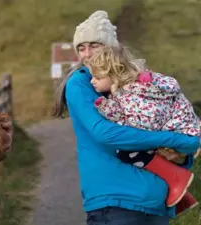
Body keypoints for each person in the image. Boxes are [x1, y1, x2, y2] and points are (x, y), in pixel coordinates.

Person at [52, 10, 200, 225]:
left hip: (155, 202)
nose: (87, 54)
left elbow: (170, 120)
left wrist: (182, 153)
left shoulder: (138, 83)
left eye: (94, 45)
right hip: (116, 200)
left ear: (112, 49)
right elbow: (106, 133)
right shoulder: (81, 82)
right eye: (81, 48)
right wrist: (174, 140)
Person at [83, 45, 200, 214]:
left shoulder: (136, 92)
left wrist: (121, 125)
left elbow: (146, 122)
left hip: (182, 132)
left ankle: (176, 180)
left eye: (97, 77)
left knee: (128, 150)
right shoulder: (128, 90)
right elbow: (128, 113)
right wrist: (106, 108)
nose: (92, 81)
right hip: (183, 132)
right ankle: (179, 191)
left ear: (114, 74)